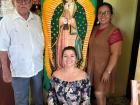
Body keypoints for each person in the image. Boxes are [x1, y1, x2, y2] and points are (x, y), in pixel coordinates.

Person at [0, 0, 44, 105]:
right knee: (21, 101)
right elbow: (2, 48)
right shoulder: (6, 21)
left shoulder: (37, 19)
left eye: (26, 1)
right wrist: (5, 69)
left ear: (31, 3)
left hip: (38, 68)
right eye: (19, 1)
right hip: (19, 70)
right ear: (13, 2)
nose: (23, 4)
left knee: (38, 99)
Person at [87, 2, 123, 105]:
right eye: (100, 13)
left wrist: (107, 72)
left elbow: (115, 54)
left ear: (111, 15)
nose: (102, 15)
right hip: (94, 67)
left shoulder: (114, 31)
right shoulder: (95, 29)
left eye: (106, 13)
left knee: (98, 93)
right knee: (100, 94)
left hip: (105, 68)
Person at [51, 0, 87, 69]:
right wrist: (59, 21)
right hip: (61, 35)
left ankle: (74, 69)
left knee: (73, 53)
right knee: (61, 52)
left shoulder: (79, 7)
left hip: (74, 36)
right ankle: (60, 68)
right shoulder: (59, 6)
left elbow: (83, 24)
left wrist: (75, 23)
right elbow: (53, 22)